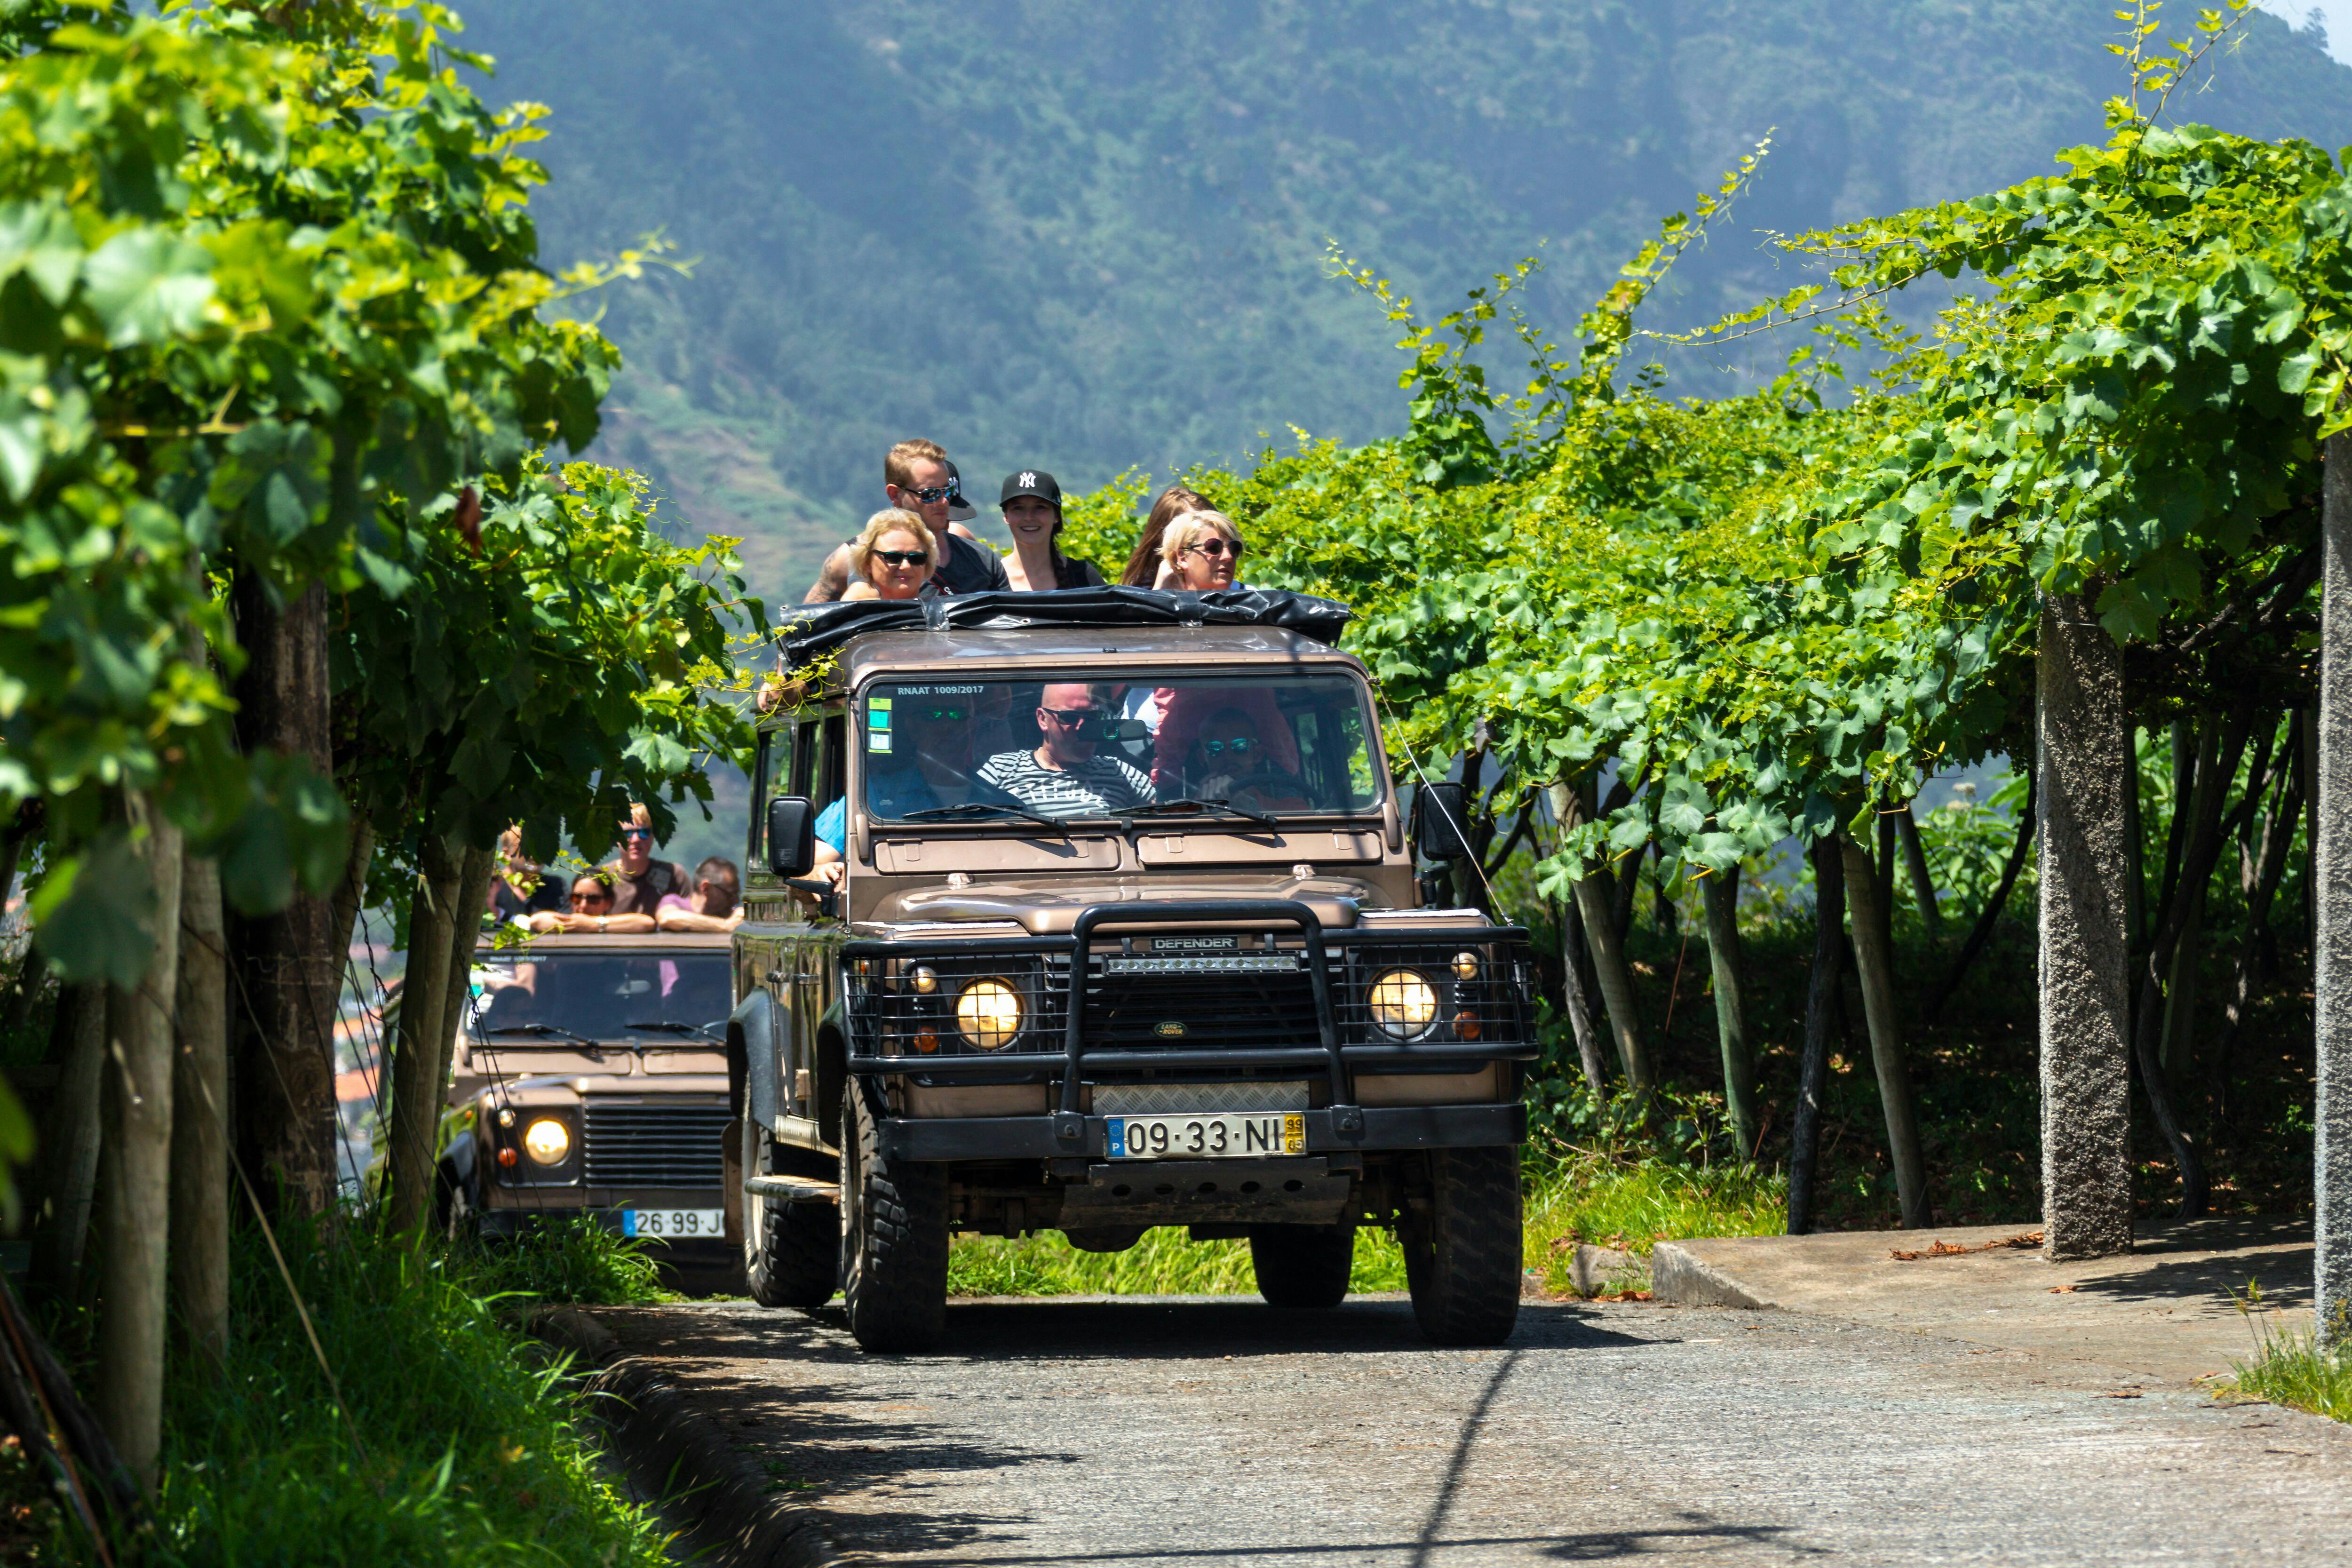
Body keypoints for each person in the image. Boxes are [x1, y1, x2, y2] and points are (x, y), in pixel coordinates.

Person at [806, 695, 982, 884]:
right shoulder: (873, 797)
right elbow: (804, 871)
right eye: (932, 715)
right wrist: (820, 873)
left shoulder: (1001, 801)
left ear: (972, 726)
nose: (947, 726)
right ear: (912, 728)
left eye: (958, 715)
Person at [803, 441, 1009, 600]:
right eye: (930, 494)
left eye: (948, 491)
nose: (944, 501)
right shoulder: (857, 557)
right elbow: (803, 632)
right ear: (895, 495)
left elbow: (1012, 627)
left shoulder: (982, 558)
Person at [977, 683, 1154, 818]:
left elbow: (1168, 813)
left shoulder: (1117, 771)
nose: (1082, 727)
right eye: (1070, 717)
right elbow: (963, 814)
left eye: (1092, 717)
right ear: (1043, 719)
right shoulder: (1003, 768)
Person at [997, 469, 1105, 591]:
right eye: (1018, 508)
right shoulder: (990, 581)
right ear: (1006, 517)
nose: (1028, 517)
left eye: (1040, 507)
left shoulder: (1084, 577)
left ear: (1057, 516)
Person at [1185, 707, 1311, 810]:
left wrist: (1248, 806)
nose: (1229, 756)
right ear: (1203, 758)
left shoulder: (1291, 808)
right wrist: (1205, 807)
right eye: (1215, 749)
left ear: (1257, 754)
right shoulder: (1189, 810)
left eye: (1240, 746)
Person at [602, 807, 691, 915]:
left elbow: (692, 917)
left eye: (644, 832)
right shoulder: (602, 877)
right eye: (627, 833)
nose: (636, 839)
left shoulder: (674, 875)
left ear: (653, 837)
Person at [1120, 485, 1209, 587]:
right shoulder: (1141, 590)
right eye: (1194, 533)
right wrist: (1159, 591)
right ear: (1164, 536)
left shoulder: (1227, 586)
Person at [846, 509, 940, 600]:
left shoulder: (946, 614)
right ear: (867, 563)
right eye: (894, 557)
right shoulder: (855, 615)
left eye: (917, 558)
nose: (906, 566)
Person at [522, 872, 655, 935]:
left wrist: (592, 924)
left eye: (593, 899)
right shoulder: (570, 923)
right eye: (577, 898)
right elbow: (536, 921)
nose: (584, 905)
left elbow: (647, 923)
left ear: (608, 903)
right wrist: (576, 925)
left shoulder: (617, 926)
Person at [490, 826, 566, 920]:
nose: (535, 853)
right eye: (527, 846)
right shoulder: (492, 886)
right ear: (507, 854)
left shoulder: (556, 886)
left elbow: (568, 923)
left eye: (541, 846)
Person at [1160, 509, 1244, 591]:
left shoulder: (1253, 602)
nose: (1228, 556)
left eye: (1234, 548)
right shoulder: (1164, 605)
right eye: (1213, 547)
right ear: (1183, 558)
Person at [658, 856, 746, 933]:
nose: (736, 901)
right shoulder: (676, 903)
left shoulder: (731, 917)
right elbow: (667, 918)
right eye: (730, 895)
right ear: (706, 889)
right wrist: (726, 925)